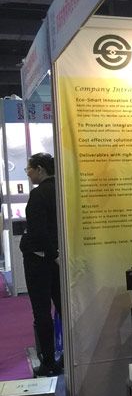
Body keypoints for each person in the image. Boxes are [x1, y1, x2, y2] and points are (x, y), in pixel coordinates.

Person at [20, 152, 62, 376]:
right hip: (59, 260)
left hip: (39, 261)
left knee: (42, 311)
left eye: (29, 168)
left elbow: (38, 231)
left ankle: (48, 362)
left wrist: (50, 253)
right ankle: (68, 356)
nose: (27, 173)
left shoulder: (38, 195)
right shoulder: (62, 190)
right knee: (64, 308)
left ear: (40, 169)